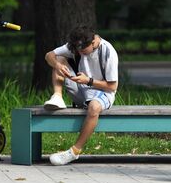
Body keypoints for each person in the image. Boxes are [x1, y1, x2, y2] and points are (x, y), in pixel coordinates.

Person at [43, 25, 119, 165]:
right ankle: (57, 96)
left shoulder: (108, 51)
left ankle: (74, 152)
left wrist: (88, 81)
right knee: (59, 59)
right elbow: (49, 55)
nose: (80, 53)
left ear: (93, 42)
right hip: (80, 86)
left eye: (83, 51)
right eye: (77, 50)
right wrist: (58, 65)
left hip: (103, 92)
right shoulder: (76, 45)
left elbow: (112, 86)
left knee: (94, 108)